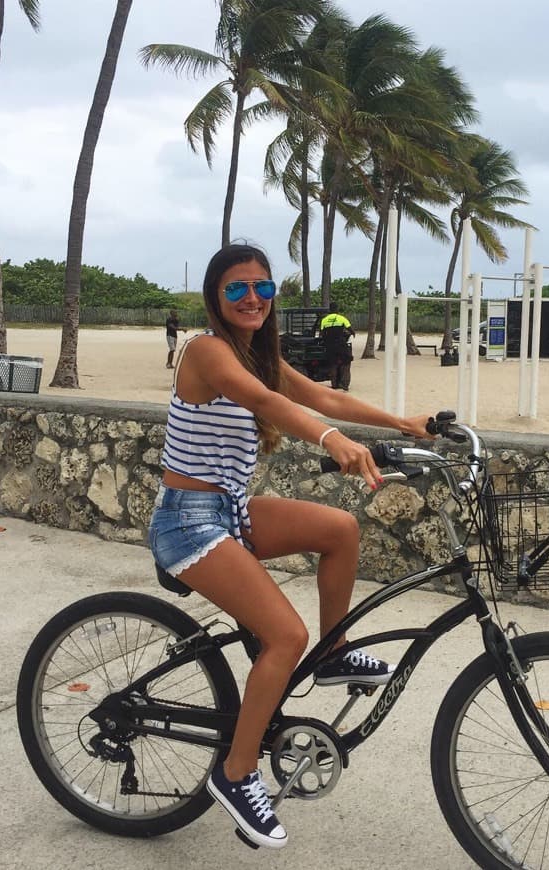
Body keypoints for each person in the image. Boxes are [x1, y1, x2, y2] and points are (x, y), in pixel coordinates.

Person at [147, 243, 432, 850]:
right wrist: (332, 442)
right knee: (283, 636)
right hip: (188, 522)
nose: (252, 297)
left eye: (263, 287)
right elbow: (267, 403)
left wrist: (405, 424)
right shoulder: (207, 351)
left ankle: (333, 653)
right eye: (237, 288)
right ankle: (235, 772)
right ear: (215, 297)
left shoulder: (257, 354)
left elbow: (323, 396)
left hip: (230, 511)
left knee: (340, 530)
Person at [319, 302, 355, 391]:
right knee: (346, 363)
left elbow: (322, 334)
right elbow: (351, 331)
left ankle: (334, 384)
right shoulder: (342, 318)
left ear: (330, 310)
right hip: (341, 345)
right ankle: (344, 384)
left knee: (333, 364)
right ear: (337, 309)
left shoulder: (324, 320)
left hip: (330, 346)